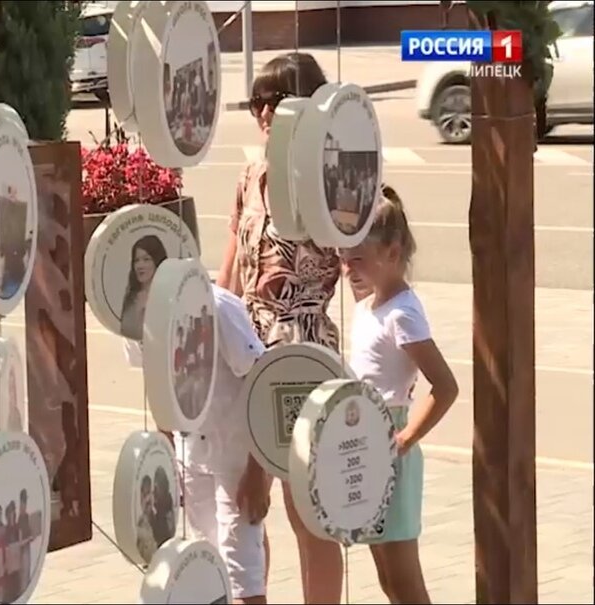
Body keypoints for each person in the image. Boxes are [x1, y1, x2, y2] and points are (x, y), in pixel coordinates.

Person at [215, 51, 346, 603]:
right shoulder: (250, 177)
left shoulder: (327, 183)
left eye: (278, 100)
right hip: (247, 350)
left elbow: (359, 256)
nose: (266, 113)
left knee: (308, 511)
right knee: (245, 506)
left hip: (303, 355)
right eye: (258, 102)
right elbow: (229, 273)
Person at [340, 186, 459, 604]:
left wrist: (406, 438)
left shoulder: (403, 314)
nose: (347, 268)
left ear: (392, 253)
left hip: (390, 445)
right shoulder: (369, 305)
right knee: (388, 577)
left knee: (405, 580)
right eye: (344, 257)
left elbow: (445, 386)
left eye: (357, 259)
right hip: (365, 442)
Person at [123, 286, 271, 604]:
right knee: (207, 565)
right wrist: (167, 456)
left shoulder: (218, 306)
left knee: (242, 572)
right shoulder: (132, 310)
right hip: (189, 453)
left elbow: (261, 378)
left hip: (237, 454)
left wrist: (258, 470)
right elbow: (155, 380)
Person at [120, 235, 168, 341]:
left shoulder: (168, 297)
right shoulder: (131, 298)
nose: (140, 266)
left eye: (146, 259)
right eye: (136, 260)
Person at [135, 474, 157, 563]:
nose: (147, 499)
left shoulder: (160, 520)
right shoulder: (138, 524)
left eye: (149, 493)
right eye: (144, 494)